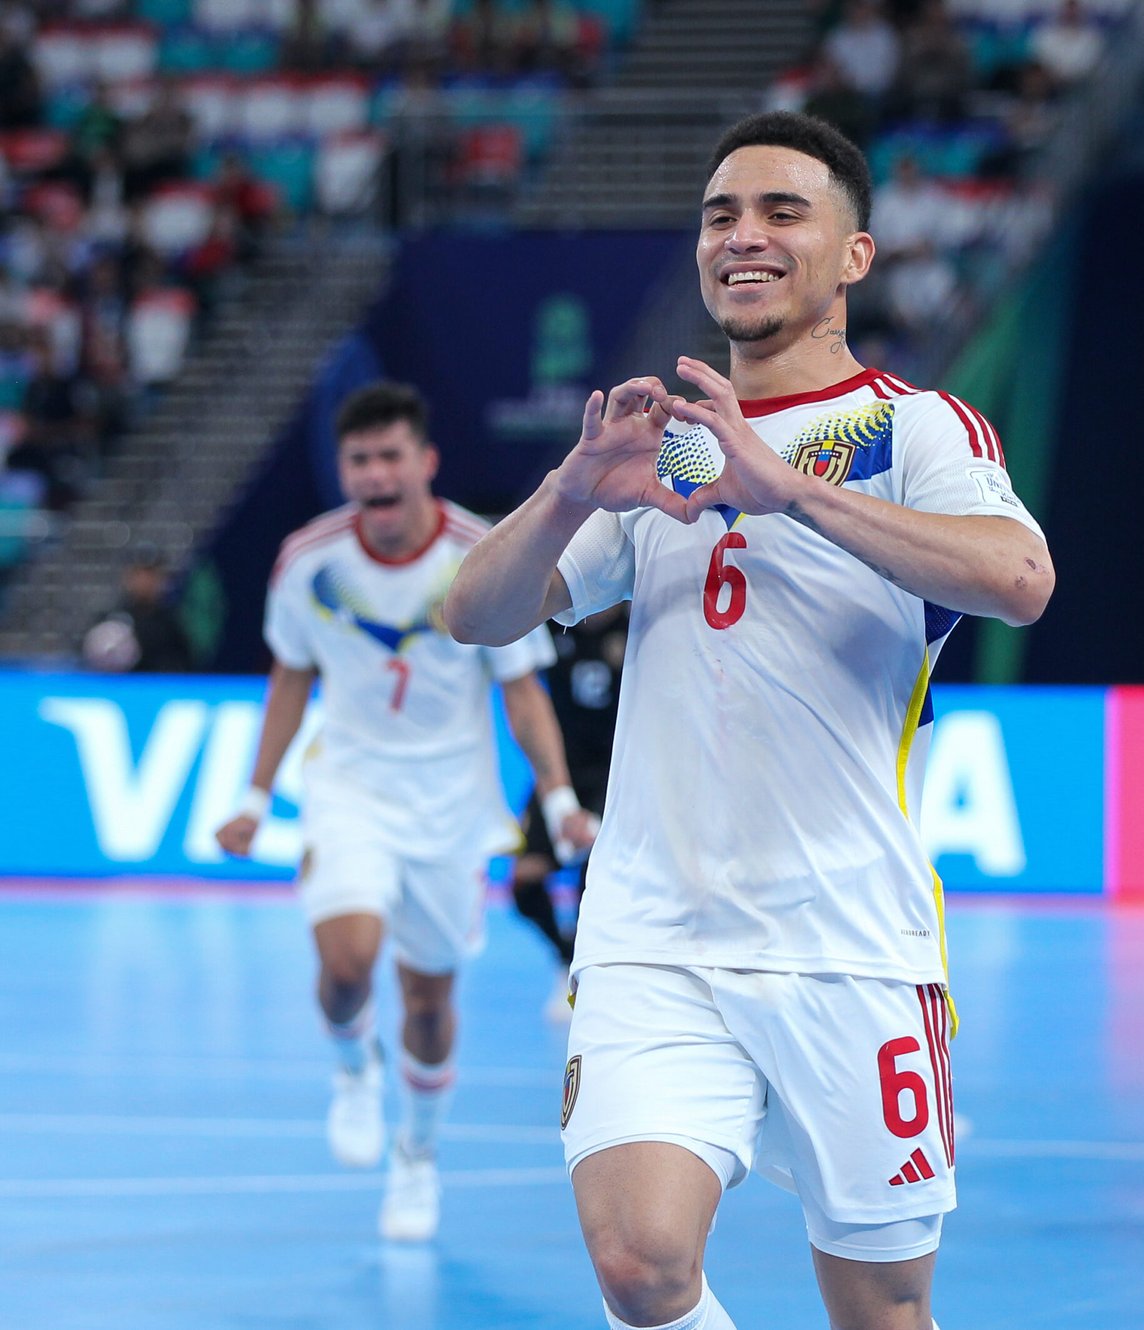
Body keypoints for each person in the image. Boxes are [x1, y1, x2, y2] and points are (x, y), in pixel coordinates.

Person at [445, 111, 1054, 1330]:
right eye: (722, 214)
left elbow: (1020, 579)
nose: (745, 235)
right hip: (651, 934)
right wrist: (570, 493)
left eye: (783, 211)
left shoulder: (912, 428)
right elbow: (475, 611)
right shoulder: (659, 453)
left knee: (881, 1308)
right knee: (639, 1265)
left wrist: (788, 487)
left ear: (854, 255)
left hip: (848, 940)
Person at [214, 382, 596, 1243]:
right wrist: (252, 796)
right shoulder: (308, 561)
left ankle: (416, 1156)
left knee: (428, 999)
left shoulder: (480, 552)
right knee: (347, 962)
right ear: (344, 470)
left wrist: (561, 800)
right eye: (359, 460)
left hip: (451, 812)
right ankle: (353, 1067)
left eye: (391, 457)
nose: (376, 474)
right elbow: (289, 676)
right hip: (350, 788)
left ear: (423, 463)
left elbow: (524, 692)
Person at [509, 602, 625, 1019]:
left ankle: (586, 975)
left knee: (591, 880)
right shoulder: (555, 623)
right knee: (523, 883)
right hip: (560, 773)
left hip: (620, 771)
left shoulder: (639, 625)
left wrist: (596, 813)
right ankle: (564, 958)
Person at [81, 543, 195, 673]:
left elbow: (185, 665)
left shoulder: (173, 624)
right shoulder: (110, 619)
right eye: (139, 574)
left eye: (151, 574)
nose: (145, 581)